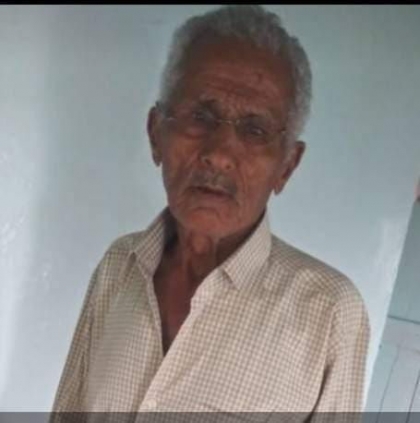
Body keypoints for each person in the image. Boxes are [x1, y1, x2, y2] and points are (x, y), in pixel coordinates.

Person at [52, 4, 370, 417]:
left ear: (287, 166)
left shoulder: (329, 313)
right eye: (201, 116)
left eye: (255, 130)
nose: (219, 154)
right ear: (156, 134)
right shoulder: (118, 266)